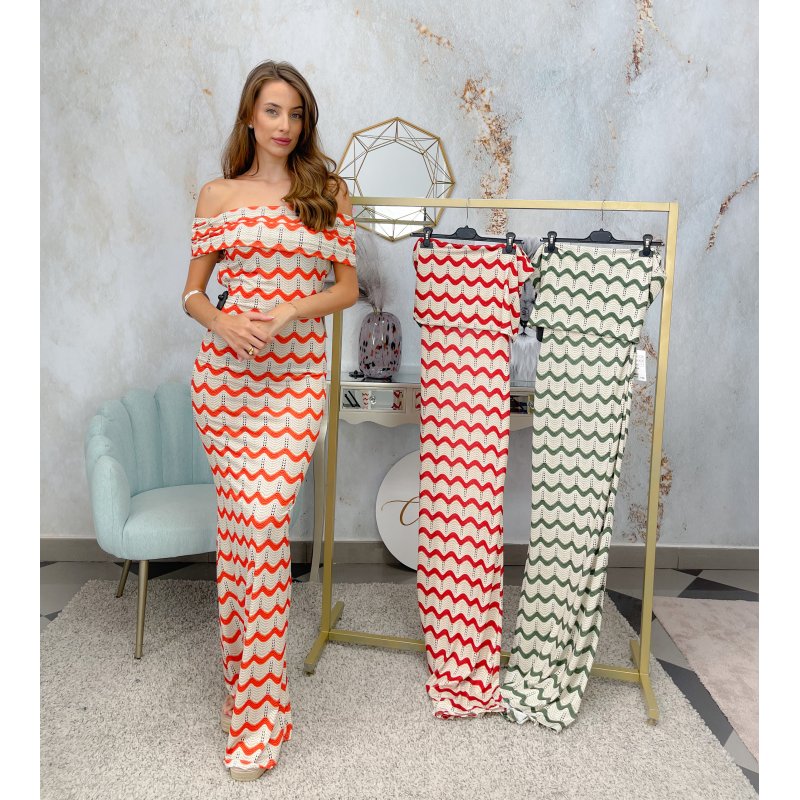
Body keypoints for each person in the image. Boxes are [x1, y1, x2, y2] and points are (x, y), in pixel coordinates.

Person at [181, 60, 358, 781]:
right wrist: (221, 320)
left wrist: (289, 309)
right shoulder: (218, 194)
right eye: (273, 111)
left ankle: (260, 717)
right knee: (240, 536)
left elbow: (347, 289)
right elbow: (192, 294)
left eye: (296, 113)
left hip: (294, 385)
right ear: (250, 117)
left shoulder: (327, 192)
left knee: (262, 525)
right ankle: (247, 683)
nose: (285, 125)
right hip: (226, 387)